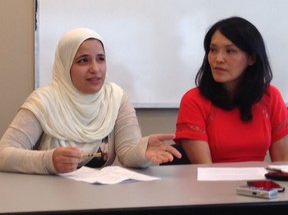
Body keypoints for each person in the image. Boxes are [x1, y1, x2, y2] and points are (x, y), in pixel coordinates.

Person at [0, 27, 181, 174]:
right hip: (49, 198)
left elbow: (128, 153)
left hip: (99, 199)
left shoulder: (116, 98)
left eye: (101, 59)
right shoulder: (44, 101)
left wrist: (142, 151)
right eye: (83, 61)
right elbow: (3, 154)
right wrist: (48, 161)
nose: (95, 69)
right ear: (66, 66)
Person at [174, 16, 288, 164]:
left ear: (252, 58)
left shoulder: (270, 96)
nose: (218, 58)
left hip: (259, 186)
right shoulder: (194, 100)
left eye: (230, 51)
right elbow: (204, 169)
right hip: (210, 185)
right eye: (213, 50)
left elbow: (283, 165)